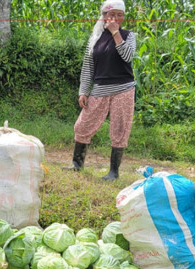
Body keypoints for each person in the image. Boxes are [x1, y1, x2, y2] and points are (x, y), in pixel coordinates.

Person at [62, 0, 136, 181]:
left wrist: (115, 33)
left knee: (119, 128)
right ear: (104, 17)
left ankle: (113, 173)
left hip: (123, 89)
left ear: (123, 17)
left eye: (120, 15)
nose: (116, 18)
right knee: (83, 125)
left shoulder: (128, 35)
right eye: (112, 15)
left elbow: (127, 56)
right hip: (100, 89)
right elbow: (88, 67)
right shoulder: (95, 38)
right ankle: (77, 164)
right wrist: (83, 91)